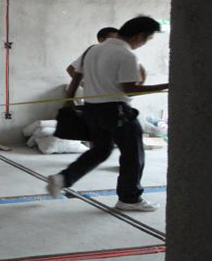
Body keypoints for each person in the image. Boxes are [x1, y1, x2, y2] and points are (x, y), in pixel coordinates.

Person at [47, 16, 169, 211]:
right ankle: (129, 199)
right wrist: (167, 85)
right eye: (148, 39)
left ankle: (63, 179)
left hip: (91, 109)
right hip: (117, 111)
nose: (144, 43)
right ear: (140, 36)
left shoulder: (93, 50)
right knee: (133, 154)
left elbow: (76, 76)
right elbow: (129, 90)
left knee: (101, 150)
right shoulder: (126, 55)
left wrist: (67, 102)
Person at [66, 27, 147, 103]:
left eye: (118, 38)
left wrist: (138, 85)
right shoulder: (93, 51)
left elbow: (140, 73)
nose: (116, 41)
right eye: (112, 39)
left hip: (116, 100)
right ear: (101, 40)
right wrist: (85, 85)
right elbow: (71, 69)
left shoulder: (122, 53)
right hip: (100, 101)